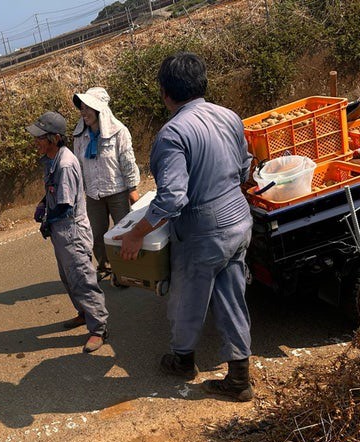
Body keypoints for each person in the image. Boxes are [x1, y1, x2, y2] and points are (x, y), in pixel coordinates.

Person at [115, 52, 254, 401]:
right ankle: (239, 377)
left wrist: (135, 233)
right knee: (231, 294)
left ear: (165, 93)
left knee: (186, 300)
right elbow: (244, 169)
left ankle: (182, 360)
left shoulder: (172, 134)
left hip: (204, 231)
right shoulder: (229, 116)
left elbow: (173, 198)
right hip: (239, 220)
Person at [27, 111, 110, 353]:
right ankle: (84, 312)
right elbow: (53, 192)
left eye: (40, 137)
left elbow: (64, 205)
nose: (36, 142)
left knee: (82, 278)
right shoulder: (51, 160)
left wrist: (46, 220)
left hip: (71, 230)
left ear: (53, 138)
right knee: (68, 276)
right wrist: (43, 203)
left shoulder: (64, 163)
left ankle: (99, 328)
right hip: (61, 231)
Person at [72, 86, 140, 283]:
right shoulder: (80, 136)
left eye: (88, 108)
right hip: (93, 194)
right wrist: (79, 195)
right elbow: (78, 166)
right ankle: (105, 266)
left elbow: (128, 162)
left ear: (99, 109)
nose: (83, 113)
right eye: (82, 108)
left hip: (118, 191)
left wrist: (133, 189)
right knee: (97, 234)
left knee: (122, 233)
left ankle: (125, 271)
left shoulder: (119, 131)